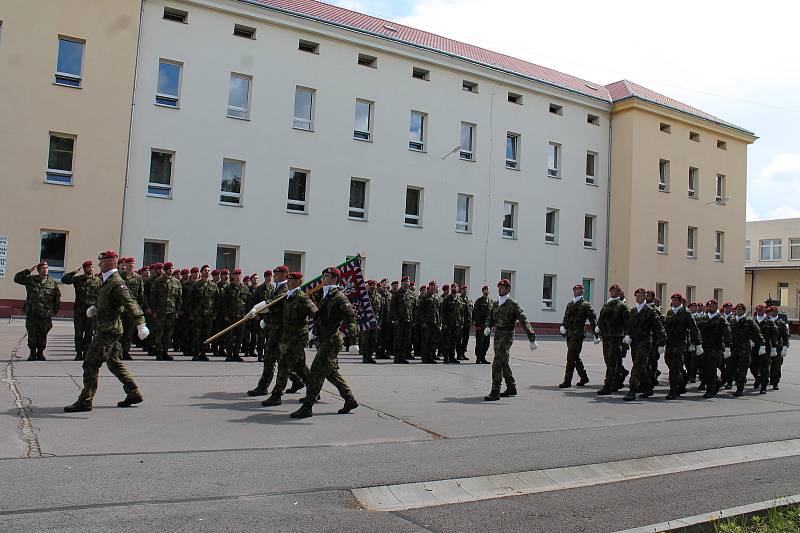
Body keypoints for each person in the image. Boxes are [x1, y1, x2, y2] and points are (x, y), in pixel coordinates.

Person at [64, 250, 150, 412]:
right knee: (114, 363)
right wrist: (95, 309)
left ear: (110, 262)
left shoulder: (116, 283)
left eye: (101, 261)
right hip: (108, 329)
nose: (99, 264)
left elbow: (130, 302)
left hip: (108, 331)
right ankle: (133, 392)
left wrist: (141, 323)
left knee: (90, 364)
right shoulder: (107, 281)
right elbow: (108, 302)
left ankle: (86, 400)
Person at [291, 267, 359, 418]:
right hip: (323, 339)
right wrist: (314, 331)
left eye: (326, 276)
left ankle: (307, 407)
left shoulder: (340, 298)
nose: (323, 279)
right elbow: (321, 317)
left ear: (335, 278)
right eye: (322, 276)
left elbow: (351, 319)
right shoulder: (326, 295)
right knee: (330, 372)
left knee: (316, 372)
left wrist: (353, 340)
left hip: (331, 341)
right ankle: (350, 399)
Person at [261, 272, 316, 406]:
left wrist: (314, 330)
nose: (289, 282)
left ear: (299, 282)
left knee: (284, 365)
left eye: (292, 280)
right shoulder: (287, 297)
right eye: (289, 279)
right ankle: (314, 391)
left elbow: (316, 313)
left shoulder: (303, 298)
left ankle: (276, 395)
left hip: (298, 338)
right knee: (299, 366)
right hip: (287, 336)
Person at [482, 279, 537, 401]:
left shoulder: (513, 304)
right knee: (503, 361)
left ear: (508, 289)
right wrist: (487, 326)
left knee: (497, 362)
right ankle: (511, 387)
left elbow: (524, 320)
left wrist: (532, 338)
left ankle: (495, 391)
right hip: (498, 335)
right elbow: (490, 318)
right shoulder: (496, 303)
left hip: (507, 335)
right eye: (499, 287)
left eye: (502, 287)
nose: (500, 289)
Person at [622, 288, 666, 401]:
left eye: (641, 296)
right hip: (635, 342)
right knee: (641, 367)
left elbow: (659, 327)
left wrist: (661, 343)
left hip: (645, 342)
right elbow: (629, 326)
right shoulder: (633, 311)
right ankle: (648, 388)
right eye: (637, 296)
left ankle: (632, 390)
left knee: (637, 366)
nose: (638, 297)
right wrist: (627, 335)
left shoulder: (650, 311)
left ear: (645, 297)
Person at [14, 262, 61, 361]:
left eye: (46, 268)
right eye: (43, 268)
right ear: (38, 270)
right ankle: (32, 353)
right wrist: (27, 271)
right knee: (32, 334)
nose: (45, 269)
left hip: (45, 314)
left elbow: (56, 298)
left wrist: (55, 311)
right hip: (32, 313)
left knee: (43, 334)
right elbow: (17, 279)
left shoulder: (52, 283)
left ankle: (40, 353)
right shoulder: (31, 280)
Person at [663, 293, 702, 400]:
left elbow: (694, 329)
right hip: (670, 343)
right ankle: (683, 379)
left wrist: (698, 344)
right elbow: (666, 327)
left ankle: (673, 390)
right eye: (673, 300)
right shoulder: (670, 312)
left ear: (680, 301)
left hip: (680, 344)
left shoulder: (686, 313)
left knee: (675, 367)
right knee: (669, 363)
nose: (674, 302)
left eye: (676, 300)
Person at [558, 284, 598, 388]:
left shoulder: (586, 305)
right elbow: (566, 317)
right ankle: (584, 377)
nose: (578, 291)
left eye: (580, 289)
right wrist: (563, 326)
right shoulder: (570, 304)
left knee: (570, 356)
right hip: (570, 334)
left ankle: (567, 380)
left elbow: (592, 319)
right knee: (575, 356)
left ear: (583, 291)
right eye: (576, 289)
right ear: (573, 291)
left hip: (578, 334)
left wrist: (596, 334)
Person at [61, 260, 101, 361]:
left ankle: (86, 353)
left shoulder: (97, 280)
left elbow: (101, 295)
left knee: (89, 334)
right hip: (79, 311)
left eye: (92, 267)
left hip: (91, 311)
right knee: (78, 333)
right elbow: (64, 280)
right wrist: (73, 272)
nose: (90, 269)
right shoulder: (78, 279)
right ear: (84, 269)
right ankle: (78, 353)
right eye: (88, 267)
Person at [596, 284, 630, 395]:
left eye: (616, 291)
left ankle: (608, 385)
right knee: (608, 360)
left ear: (619, 293)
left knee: (611, 361)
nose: (613, 293)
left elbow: (627, 322)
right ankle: (618, 378)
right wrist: (598, 327)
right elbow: (601, 317)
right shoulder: (607, 304)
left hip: (616, 337)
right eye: (612, 291)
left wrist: (627, 335)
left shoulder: (622, 306)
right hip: (606, 336)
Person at [728, 303, 764, 396]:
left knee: (742, 369)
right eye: (737, 309)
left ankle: (740, 389)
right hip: (734, 348)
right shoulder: (732, 320)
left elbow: (758, 333)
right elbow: (728, 333)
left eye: (740, 309)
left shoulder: (749, 321)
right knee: (731, 368)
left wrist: (761, 344)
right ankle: (740, 381)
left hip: (744, 349)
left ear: (744, 310)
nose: (738, 311)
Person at [698, 299, 732, 399]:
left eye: (712, 306)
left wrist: (727, 347)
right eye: (709, 306)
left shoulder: (721, 319)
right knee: (703, 370)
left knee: (711, 370)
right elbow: (698, 332)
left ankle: (711, 389)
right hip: (705, 348)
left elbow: (727, 334)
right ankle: (716, 384)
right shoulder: (704, 318)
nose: (710, 308)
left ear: (716, 307)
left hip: (716, 349)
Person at [151, 262, 183, 361]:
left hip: (171, 312)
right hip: (160, 312)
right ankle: (158, 352)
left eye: (172, 268)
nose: (171, 270)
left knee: (168, 334)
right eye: (169, 268)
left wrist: (177, 311)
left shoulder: (176, 282)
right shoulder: (158, 281)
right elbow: (153, 297)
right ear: (165, 269)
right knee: (159, 333)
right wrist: (154, 311)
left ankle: (165, 352)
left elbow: (179, 298)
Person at [190, 265, 218, 361]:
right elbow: (191, 300)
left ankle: (203, 353)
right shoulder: (196, 285)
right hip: (198, 315)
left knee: (206, 335)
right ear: (201, 272)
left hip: (209, 315)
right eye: (205, 270)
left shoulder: (213, 286)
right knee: (197, 335)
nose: (207, 272)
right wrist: (192, 313)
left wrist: (215, 313)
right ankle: (196, 353)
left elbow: (217, 301)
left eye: (208, 271)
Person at [120, 258, 145, 359]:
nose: (131, 265)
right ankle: (118, 352)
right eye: (129, 263)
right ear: (125, 264)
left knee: (129, 332)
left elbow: (141, 294)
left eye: (132, 263)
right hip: (121, 309)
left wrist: (138, 308)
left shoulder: (138, 278)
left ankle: (126, 352)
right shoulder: (120, 276)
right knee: (120, 332)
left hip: (131, 310)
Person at [753, 304, 778, 394]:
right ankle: (758, 378)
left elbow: (774, 335)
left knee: (764, 368)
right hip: (755, 347)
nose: (760, 311)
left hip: (765, 347)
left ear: (764, 310)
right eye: (758, 310)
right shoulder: (753, 321)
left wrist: (774, 347)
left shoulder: (769, 322)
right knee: (753, 367)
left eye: (761, 310)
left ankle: (763, 386)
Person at [390, 276, 415, 364]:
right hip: (399, 321)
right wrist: (395, 319)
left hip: (409, 321)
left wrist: (414, 319)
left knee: (406, 340)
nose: (406, 283)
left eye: (408, 281)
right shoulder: (397, 293)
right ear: (402, 283)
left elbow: (414, 308)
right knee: (398, 339)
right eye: (405, 281)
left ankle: (403, 357)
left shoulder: (412, 294)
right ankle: (397, 358)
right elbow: (392, 307)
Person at [360, 280, 383, 364]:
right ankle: (365, 357)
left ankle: (370, 356)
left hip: (375, 321)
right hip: (366, 321)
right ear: (368, 286)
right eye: (371, 285)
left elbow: (381, 311)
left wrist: (379, 322)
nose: (373, 287)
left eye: (374, 285)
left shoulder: (379, 296)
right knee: (365, 340)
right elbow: (360, 309)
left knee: (374, 340)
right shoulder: (364, 296)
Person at [768, 305, 790, 390]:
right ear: (770, 312)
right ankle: (765, 379)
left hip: (778, 347)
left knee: (776, 365)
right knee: (765, 364)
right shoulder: (766, 321)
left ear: (777, 312)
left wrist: (785, 347)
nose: (774, 313)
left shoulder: (781, 323)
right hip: (768, 346)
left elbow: (785, 336)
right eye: (772, 311)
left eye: (775, 311)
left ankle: (775, 382)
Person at [472, 285, 495, 364]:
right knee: (479, 342)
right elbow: (475, 313)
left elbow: (493, 314)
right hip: (480, 325)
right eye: (485, 290)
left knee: (486, 342)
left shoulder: (491, 301)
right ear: (482, 291)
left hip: (488, 326)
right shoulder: (479, 301)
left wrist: (492, 324)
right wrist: (477, 325)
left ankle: (483, 357)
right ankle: (478, 358)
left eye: (487, 290)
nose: (486, 291)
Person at [457, 285, 472, 360]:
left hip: (467, 323)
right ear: (460, 291)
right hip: (461, 323)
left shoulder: (469, 300)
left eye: (466, 290)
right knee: (459, 339)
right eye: (463, 290)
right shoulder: (458, 299)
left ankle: (463, 353)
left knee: (466, 339)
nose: (465, 291)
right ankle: (459, 354)